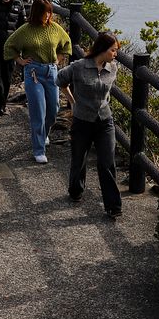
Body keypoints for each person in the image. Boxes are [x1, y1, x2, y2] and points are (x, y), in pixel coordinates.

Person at [57, 31, 123, 218]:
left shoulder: (113, 68)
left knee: (107, 162)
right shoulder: (79, 66)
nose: (115, 54)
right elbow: (60, 80)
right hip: (82, 120)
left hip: (104, 120)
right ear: (102, 49)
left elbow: (107, 92)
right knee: (79, 158)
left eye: (116, 50)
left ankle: (113, 206)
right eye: (113, 50)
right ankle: (76, 190)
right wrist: (72, 101)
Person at [3, 0, 71, 164]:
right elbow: (9, 46)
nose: (47, 15)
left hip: (51, 72)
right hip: (33, 73)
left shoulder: (55, 28)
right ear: (36, 13)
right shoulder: (25, 30)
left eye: (49, 12)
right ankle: (38, 149)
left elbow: (66, 44)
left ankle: (44, 133)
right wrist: (20, 61)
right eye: (44, 12)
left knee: (54, 108)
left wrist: (59, 58)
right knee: (38, 111)